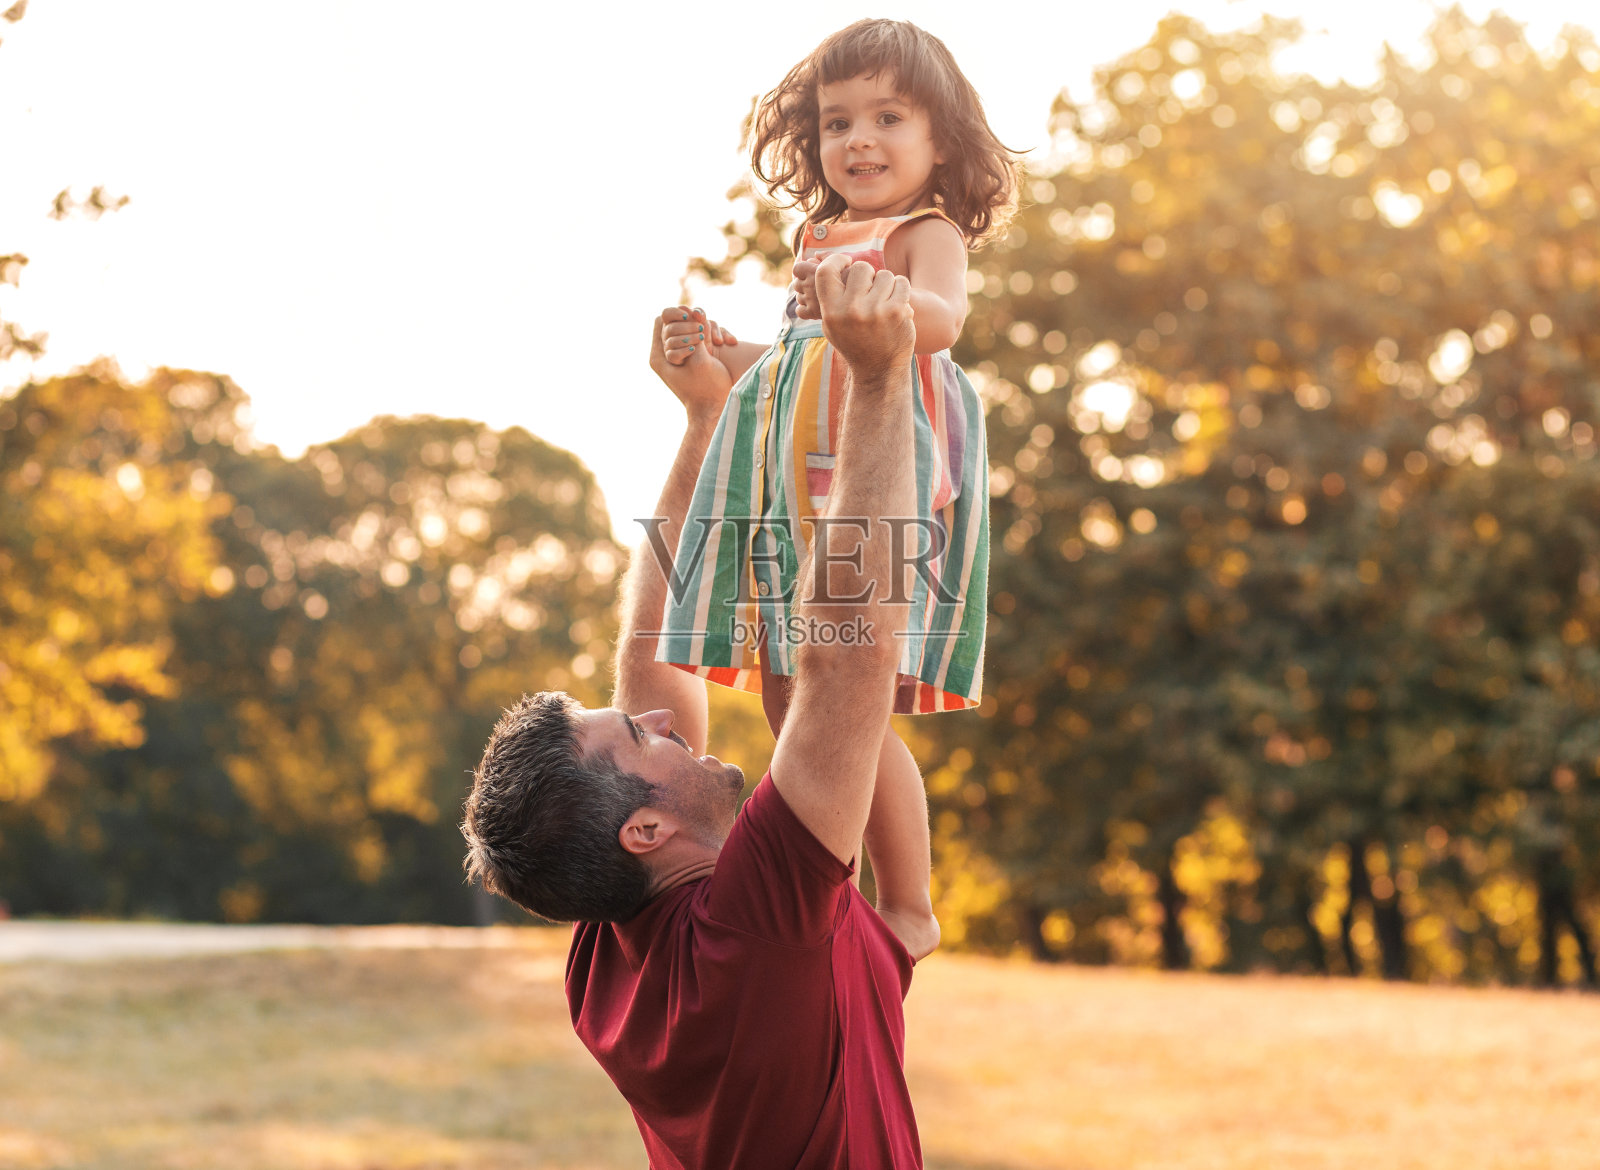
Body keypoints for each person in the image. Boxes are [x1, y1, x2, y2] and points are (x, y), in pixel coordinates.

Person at [462, 254, 931, 1167]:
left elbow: (655, 657)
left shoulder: (607, 954)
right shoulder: (753, 922)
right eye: (641, 738)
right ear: (643, 830)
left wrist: (708, 422)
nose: (666, 718)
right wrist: (878, 378)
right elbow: (850, 660)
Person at [654, 18, 1017, 945]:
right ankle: (830, 886)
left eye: (888, 117)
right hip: (789, 494)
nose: (859, 140)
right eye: (836, 122)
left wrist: (881, 302)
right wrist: (715, 350)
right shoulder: (818, 238)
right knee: (791, 701)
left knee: (850, 702)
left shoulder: (922, 233)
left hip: (868, 483)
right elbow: (789, 365)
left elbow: (941, 321)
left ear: (942, 139)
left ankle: (909, 904)